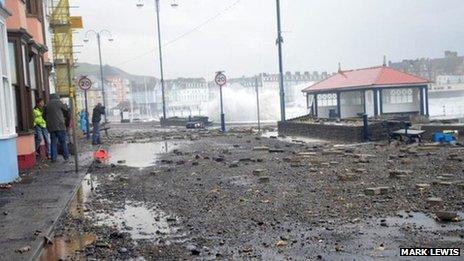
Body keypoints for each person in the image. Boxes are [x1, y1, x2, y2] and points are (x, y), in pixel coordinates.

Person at [44, 94, 70, 162]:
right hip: (60, 126)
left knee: (53, 142)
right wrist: (63, 118)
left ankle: (53, 158)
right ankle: (66, 157)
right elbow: (67, 112)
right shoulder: (60, 103)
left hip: (51, 127)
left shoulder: (47, 104)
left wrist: (48, 121)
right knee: (63, 142)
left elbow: (43, 116)